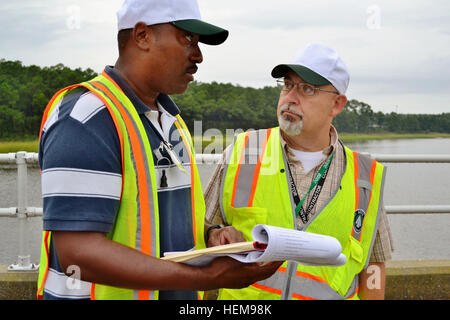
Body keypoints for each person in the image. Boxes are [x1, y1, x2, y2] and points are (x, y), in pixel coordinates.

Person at [36, 0, 281, 300]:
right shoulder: (88, 117)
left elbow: (160, 225)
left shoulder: (171, 122)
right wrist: (205, 277)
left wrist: (212, 237)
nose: (199, 55)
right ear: (142, 36)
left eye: (199, 42)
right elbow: (78, 253)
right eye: (187, 38)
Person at [204, 43, 394, 300]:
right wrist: (214, 234)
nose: (291, 97)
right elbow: (199, 232)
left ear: (337, 104)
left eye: (307, 89)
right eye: (287, 84)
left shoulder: (365, 178)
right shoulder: (244, 151)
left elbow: (373, 264)